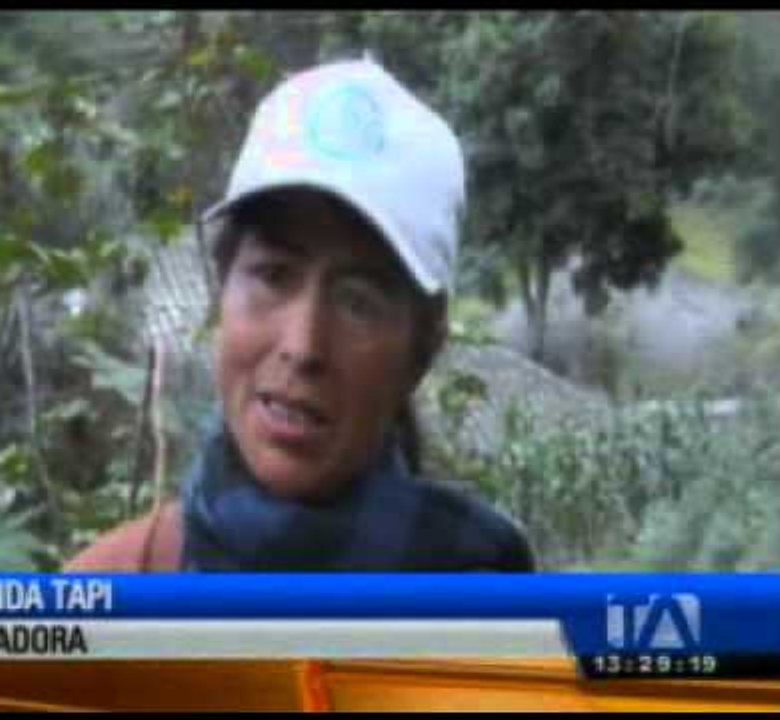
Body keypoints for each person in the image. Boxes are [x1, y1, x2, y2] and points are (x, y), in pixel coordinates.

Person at [64, 57, 534, 572]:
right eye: (273, 275)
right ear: (222, 286)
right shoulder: (115, 586)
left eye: (358, 302)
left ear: (422, 349)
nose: (304, 345)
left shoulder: (487, 611)